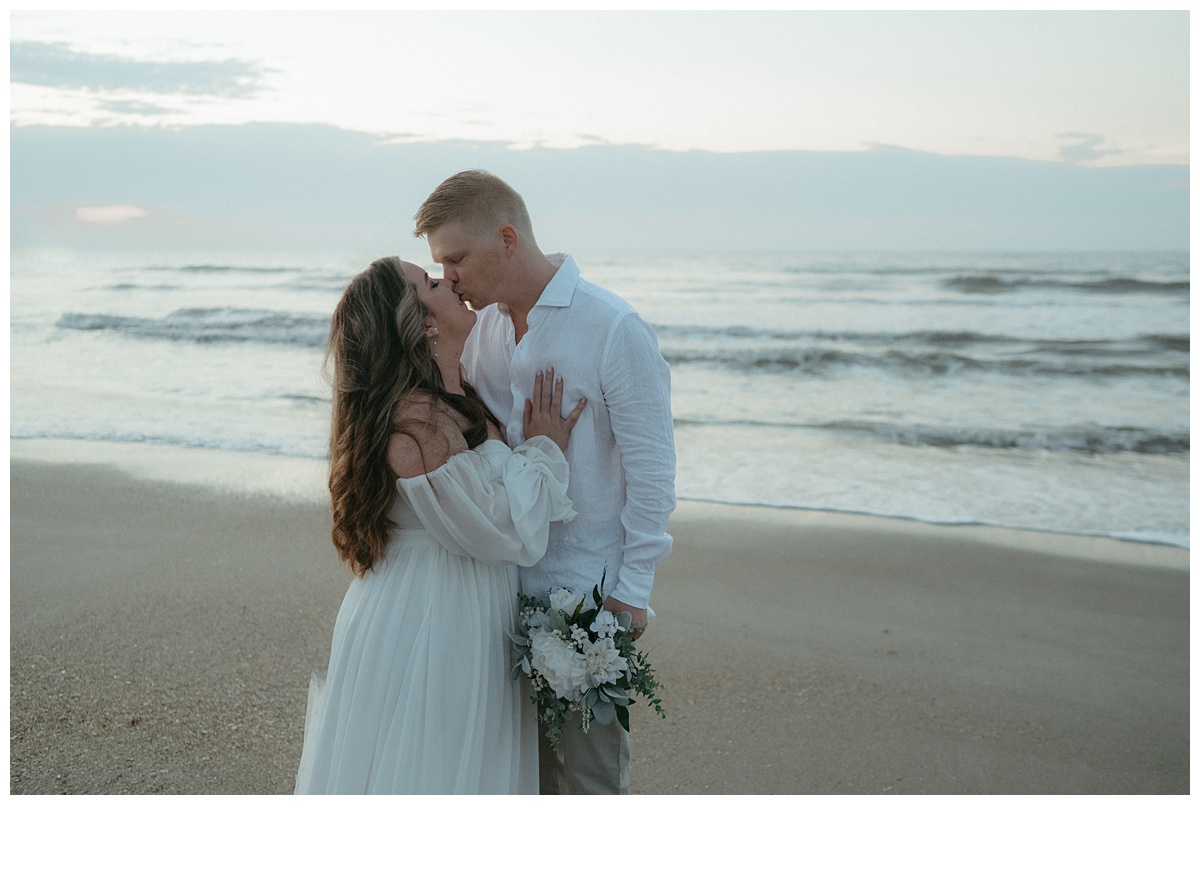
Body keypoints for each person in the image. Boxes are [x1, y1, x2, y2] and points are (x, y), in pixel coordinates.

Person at [414, 170, 676, 795]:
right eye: (438, 265)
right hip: (504, 588)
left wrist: (633, 590)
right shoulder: (487, 333)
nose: (448, 278)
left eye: (456, 258)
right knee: (524, 782)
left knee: (589, 780)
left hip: (587, 594)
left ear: (507, 238)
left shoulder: (612, 328)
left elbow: (653, 472)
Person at [294, 256, 585, 794]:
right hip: (431, 619)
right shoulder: (416, 431)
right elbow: (506, 533)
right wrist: (544, 448)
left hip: (454, 606)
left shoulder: (453, 399)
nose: (448, 278)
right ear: (422, 324)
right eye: (429, 282)